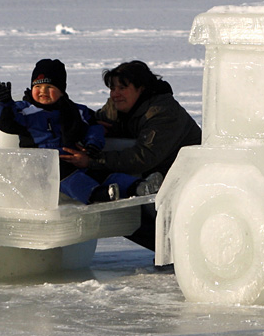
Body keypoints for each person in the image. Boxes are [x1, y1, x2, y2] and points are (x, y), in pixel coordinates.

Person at [60, 60, 201, 249]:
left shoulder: (163, 113)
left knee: (123, 215)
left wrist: (92, 160)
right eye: (113, 88)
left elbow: (143, 157)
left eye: (122, 88)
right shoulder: (117, 106)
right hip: (154, 180)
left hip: (186, 185)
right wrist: (90, 130)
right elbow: (95, 120)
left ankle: (178, 249)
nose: (115, 94)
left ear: (141, 89)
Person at [0, 58, 118, 203]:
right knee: (61, 171)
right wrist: (5, 103)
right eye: (37, 87)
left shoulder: (75, 110)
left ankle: (136, 187)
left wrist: (92, 144)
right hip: (39, 166)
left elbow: (94, 126)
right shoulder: (25, 110)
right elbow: (6, 123)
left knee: (97, 169)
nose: (43, 91)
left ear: (61, 90)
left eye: (50, 87)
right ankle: (95, 195)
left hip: (72, 158)